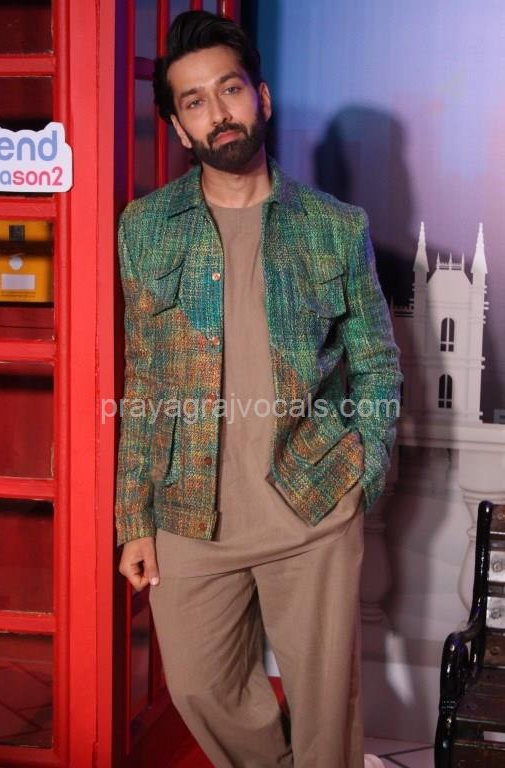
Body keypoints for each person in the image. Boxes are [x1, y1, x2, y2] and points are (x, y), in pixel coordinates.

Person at [115, 9, 403, 768]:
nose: (218, 112)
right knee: (201, 690)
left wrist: (362, 474)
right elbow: (144, 382)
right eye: (195, 101)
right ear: (179, 127)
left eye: (230, 89)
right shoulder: (145, 228)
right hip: (188, 514)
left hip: (312, 505)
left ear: (261, 98)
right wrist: (133, 519)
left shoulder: (335, 227)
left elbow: (377, 364)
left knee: (324, 717)